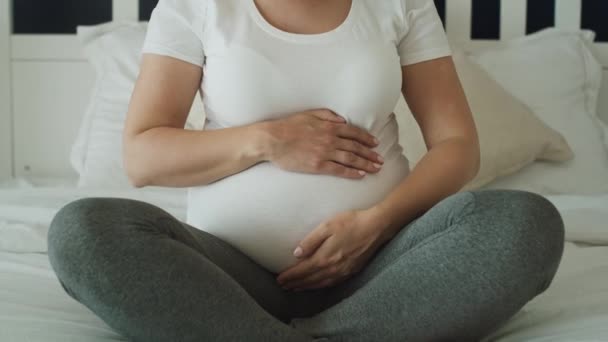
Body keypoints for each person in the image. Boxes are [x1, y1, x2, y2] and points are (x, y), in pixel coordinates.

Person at [47, 0, 565, 341]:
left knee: (525, 221)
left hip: (387, 271)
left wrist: (376, 223)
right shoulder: (194, 5)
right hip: (228, 277)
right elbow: (142, 157)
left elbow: (457, 145)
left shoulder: (399, 2)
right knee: (83, 230)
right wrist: (267, 141)